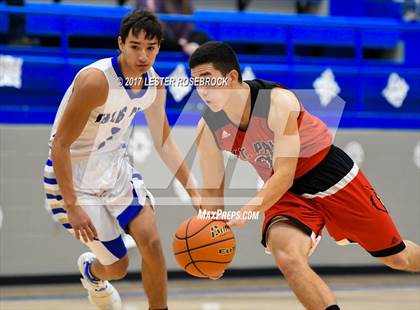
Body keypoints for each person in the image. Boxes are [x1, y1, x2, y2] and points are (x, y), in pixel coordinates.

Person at [190, 41, 420, 310]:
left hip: (330, 177)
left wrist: (249, 208)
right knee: (288, 257)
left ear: (230, 77)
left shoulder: (277, 102)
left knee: (398, 258)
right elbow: (213, 192)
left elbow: (285, 173)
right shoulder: (208, 127)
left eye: (208, 81)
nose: (201, 90)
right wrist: (213, 241)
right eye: (196, 83)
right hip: (287, 195)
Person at [43, 10, 200, 310]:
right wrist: (72, 206)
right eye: (135, 46)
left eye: (150, 47)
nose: (143, 55)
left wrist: (193, 189)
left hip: (115, 171)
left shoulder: (154, 85)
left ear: (158, 47)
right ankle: (92, 272)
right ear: (120, 44)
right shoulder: (96, 81)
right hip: (72, 178)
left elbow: (164, 142)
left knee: (151, 242)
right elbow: (60, 146)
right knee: (118, 267)